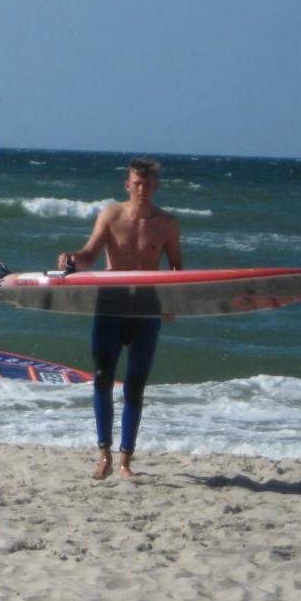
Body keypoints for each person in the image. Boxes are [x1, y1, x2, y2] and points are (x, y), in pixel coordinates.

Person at [57, 158, 183, 480]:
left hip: (146, 307)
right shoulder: (111, 215)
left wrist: (173, 301)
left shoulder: (167, 224)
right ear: (127, 185)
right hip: (111, 303)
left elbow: (177, 270)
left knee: (136, 385)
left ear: (155, 187)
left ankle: (126, 459)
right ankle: (104, 456)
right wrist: (72, 259)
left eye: (147, 184)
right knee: (102, 377)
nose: (141, 189)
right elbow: (89, 254)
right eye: (135, 183)